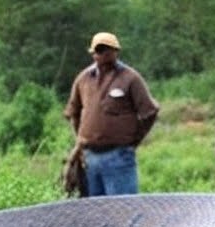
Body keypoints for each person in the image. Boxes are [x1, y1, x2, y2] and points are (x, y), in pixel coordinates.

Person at [64, 32, 160, 197]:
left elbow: (150, 112)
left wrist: (133, 140)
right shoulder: (83, 79)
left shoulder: (130, 78)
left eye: (109, 49)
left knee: (123, 210)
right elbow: (74, 112)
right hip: (90, 158)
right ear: (93, 53)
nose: (105, 53)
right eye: (100, 49)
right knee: (95, 213)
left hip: (119, 156)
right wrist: (80, 142)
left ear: (116, 51)